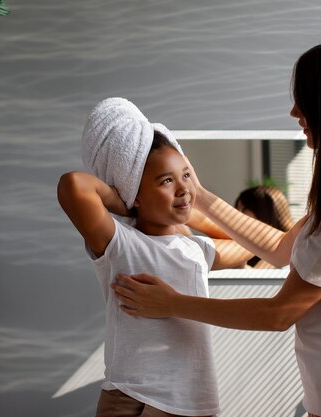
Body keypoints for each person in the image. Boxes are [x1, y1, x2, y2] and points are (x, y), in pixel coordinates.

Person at [112, 38, 321, 417]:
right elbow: (280, 248)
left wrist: (172, 303)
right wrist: (201, 196)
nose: (295, 111)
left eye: (304, 99)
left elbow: (276, 314)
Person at [57, 97, 255, 417]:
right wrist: (125, 200)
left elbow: (247, 244)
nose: (183, 188)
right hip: (135, 399)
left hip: (194, 402)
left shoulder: (193, 250)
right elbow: (73, 185)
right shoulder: (121, 245)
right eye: (166, 180)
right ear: (133, 191)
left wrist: (189, 212)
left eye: (186, 176)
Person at [234, 185, 295, 268]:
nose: (237, 214)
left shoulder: (289, 249)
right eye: (237, 209)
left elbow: (255, 277)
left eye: (243, 209)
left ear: (264, 212)